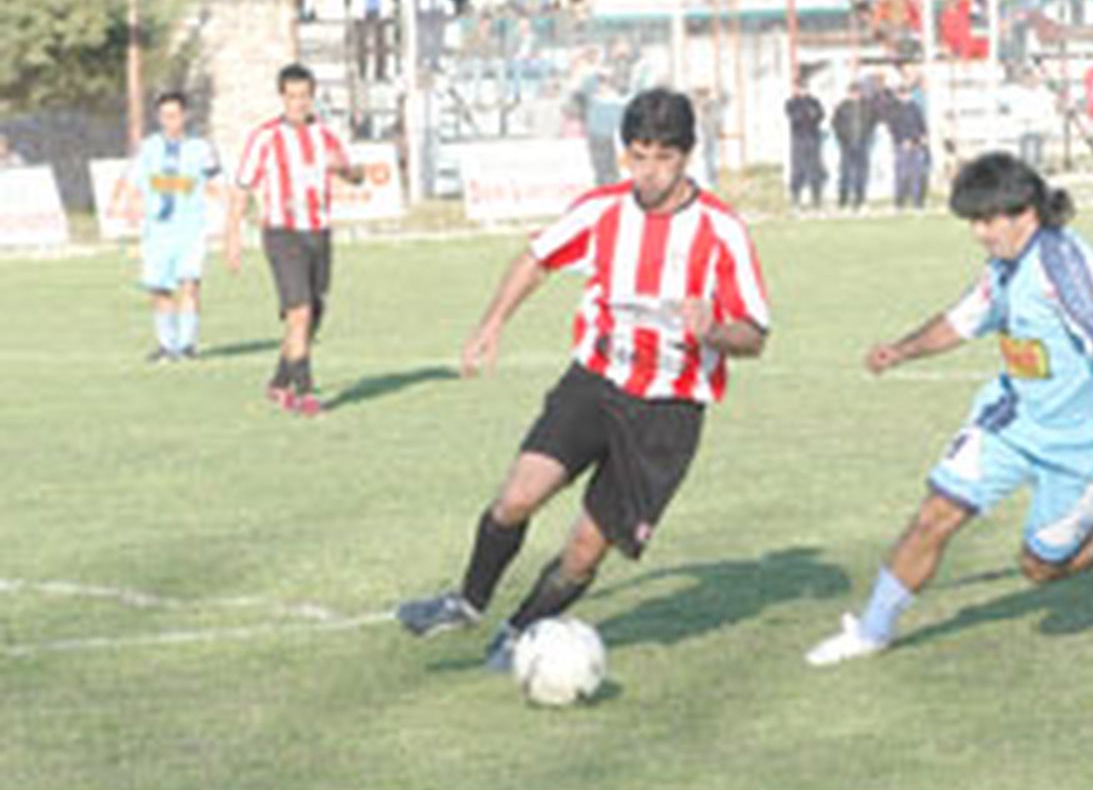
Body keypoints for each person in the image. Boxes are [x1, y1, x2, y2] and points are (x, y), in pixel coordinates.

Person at [395, 88, 772, 669]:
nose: (648, 172)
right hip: (594, 384)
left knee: (583, 551)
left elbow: (755, 334)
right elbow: (536, 258)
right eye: (638, 157)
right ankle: (466, 602)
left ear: (688, 155)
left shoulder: (722, 231)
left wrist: (714, 331)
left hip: (666, 413)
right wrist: (491, 324)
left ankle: (521, 634)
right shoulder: (603, 210)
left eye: (663, 159)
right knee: (515, 498)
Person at [805, 151, 1093, 667]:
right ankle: (872, 631)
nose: (980, 233)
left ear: (1026, 212)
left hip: (1082, 448)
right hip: (1011, 423)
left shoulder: (1065, 265)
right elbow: (962, 320)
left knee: (1039, 567)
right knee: (935, 514)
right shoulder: (1004, 268)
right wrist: (901, 350)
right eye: (974, 221)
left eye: (988, 220)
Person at [225, 64, 365, 417]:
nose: (298, 103)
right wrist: (232, 236)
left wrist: (345, 170)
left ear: (312, 97)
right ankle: (305, 393)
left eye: (304, 96)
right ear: (282, 98)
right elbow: (242, 187)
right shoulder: (266, 137)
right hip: (281, 232)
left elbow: (357, 176)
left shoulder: (325, 137)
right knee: (299, 312)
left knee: (312, 315)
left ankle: (279, 381)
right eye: (291, 97)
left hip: (318, 232)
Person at [112, 92, 224, 362]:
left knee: (190, 283)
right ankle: (166, 345)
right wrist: (128, 203)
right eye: (163, 116)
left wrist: (231, 211)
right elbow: (134, 178)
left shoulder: (201, 149)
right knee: (160, 287)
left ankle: (187, 345)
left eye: (174, 115)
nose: (168, 121)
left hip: (190, 229)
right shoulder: (149, 147)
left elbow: (215, 182)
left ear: (184, 116)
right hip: (158, 230)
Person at [832, 82, 877, 210]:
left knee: (861, 173)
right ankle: (843, 200)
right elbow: (836, 124)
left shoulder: (867, 106)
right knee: (845, 172)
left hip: (862, 142)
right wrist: (842, 138)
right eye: (853, 92)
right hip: (847, 144)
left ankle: (860, 199)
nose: (855, 95)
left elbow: (872, 122)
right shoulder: (842, 106)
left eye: (857, 92)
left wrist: (867, 136)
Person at [785, 79, 827, 209]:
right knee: (798, 168)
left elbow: (819, 115)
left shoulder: (814, 101)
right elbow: (795, 118)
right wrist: (807, 114)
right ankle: (796, 198)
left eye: (804, 88)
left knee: (815, 168)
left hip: (813, 137)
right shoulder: (792, 102)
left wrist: (810, 115)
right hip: (799, 138)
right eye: (799, 88)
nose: (802, 91)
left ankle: (817, 198)